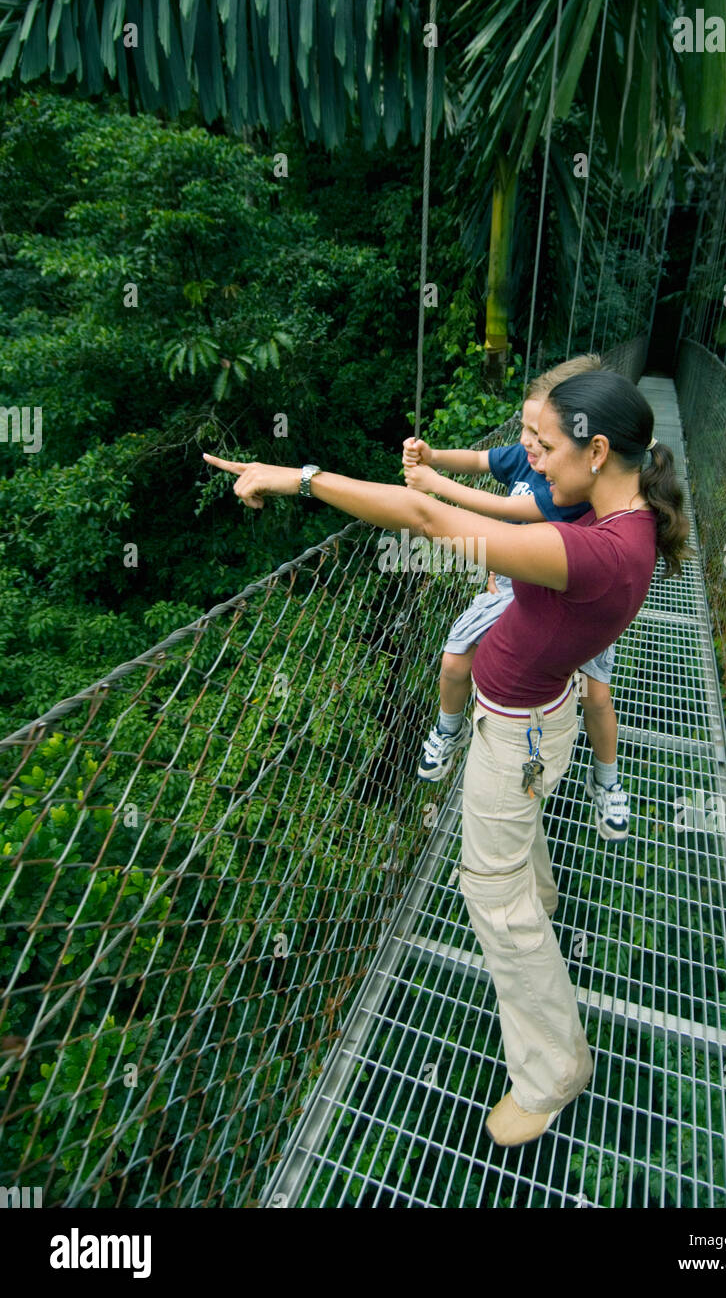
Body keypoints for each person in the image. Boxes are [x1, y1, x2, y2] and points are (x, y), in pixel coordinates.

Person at [202, 364, 691, 1149]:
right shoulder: (611, 511)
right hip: (535, 720)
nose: (528, 454)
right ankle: (540, 896)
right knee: (514, 853)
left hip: (520, 733)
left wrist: (303, 477)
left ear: (596, 449)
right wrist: (439, 477)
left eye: (541, 443)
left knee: (492, 902)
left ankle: (551, 1071)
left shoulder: (597, 552)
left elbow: (429, 524)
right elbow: (482, 503)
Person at [403, 355, 632, 841]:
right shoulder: (528, 455)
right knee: (453, 662)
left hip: (568, 594)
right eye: (527, 428)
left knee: (597, 695)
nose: (528, 443)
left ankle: (607, 780)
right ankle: (448, 728)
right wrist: (435, 454)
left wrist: (434, 488)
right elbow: (482, 461)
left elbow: (507, 507)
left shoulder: (564, 484)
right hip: (511, 586)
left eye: (540, 434)